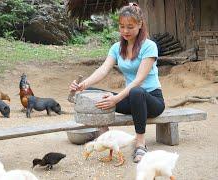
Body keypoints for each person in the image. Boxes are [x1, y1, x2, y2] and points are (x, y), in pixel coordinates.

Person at [69, 3, 165, 163]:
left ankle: (140, 143)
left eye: (130, 27)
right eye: (122, 26)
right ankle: (105, 136)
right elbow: (103, 69)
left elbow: (139, 80)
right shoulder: (116, 48)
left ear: (140, 25)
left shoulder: (149, 46)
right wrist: (82, 85)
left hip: (152, 100)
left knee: (136, 91)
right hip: (129, 98)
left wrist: (116, 98)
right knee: (90, 93)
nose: (125, 31)